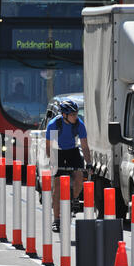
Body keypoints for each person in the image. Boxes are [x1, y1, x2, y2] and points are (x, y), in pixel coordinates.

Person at [45, 99, 92, 232]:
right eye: (72, 115)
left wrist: (89, 164)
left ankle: (75, 198)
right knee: (58, 184)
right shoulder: (54, 125)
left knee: (78, 175)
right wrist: (54, 163)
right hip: (57, 151)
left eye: (76, 114)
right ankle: (56, 219)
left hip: (72, 151)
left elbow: (84, 146)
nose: (75, 117)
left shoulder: (79, 124)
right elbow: (49, 147)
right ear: (64, 115)